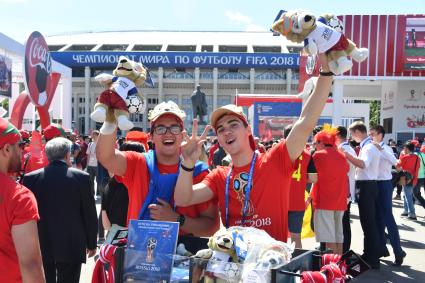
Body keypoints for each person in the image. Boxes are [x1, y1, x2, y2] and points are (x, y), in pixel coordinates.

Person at [174, 65, 334, 242]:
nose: (226, 132)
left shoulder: (275, 159)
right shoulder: (220, 176)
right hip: (234, 263)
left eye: (233, 125)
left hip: (270, 264)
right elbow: (183, 199)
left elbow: (305, 123)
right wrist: (187, 162)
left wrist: (326, 72)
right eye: (221, 129)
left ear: (248, 130)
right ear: (218, 138)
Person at [96, 101, 220, 237]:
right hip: (139, 253)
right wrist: (111, 118)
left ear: (182, 134)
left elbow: (211, 227)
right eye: (160, 128)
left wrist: (176, 219)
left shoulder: (199, 172)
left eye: (174, 128)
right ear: (151, 137)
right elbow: (106, 156)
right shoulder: (138, 163)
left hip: (183, 254)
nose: (168, 134)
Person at [23, 137, 98, 283]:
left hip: (42, 241)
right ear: (67, 155)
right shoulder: (82, 177)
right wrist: (91, 243)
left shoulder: (31, 178)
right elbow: (89, 213)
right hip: (72, 243)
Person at [0, 118, 45, 283]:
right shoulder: (18, 197)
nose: (23, 150)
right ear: (6, 149)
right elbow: (31, 266)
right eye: (20, 145)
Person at [343, 121, 382, 269]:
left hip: (367, 186)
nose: (352, 138)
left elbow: (363, 164)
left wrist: (346, 154)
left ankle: (372, 257)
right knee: (368, 223)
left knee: (368, 223)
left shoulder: (369, 147)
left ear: (358, 132)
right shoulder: (370, 146)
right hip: (367, 185)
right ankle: (370, 254)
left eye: (352, 134)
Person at [369, 125, 406, 266]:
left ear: (380, 135)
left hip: (384, 185)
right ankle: (380, 249)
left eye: (372, 134)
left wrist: (381, 148)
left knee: (388, 219)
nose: (370, 136)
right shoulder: (370, 146)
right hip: (373, 184)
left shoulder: (387, 148)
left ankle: (398, 251)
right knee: (377, 220)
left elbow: (396, 162)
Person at [309, 126, 349, 255]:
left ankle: (332, 268)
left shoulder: (318, 156)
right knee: (338, 236)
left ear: (321, 142)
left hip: (325, 201)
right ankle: (339, 266)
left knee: (328, 237)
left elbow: (312, 177)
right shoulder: (342, 156)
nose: (314, 146)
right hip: (340, 201)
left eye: (316, 143)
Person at [284, 124, 317, 249]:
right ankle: (296, 264)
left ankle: (277, 264)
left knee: (277, 236)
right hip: (297, 201)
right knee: (296, 236)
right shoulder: (307, 155)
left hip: (279, 201)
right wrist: (302, 179)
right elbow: (314, 178)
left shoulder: (277, 152)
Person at [102, 141, 145, 230]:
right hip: (138, 238)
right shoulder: (145, 186)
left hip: (115, 238)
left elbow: (106, 225)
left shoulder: (110, 185)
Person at [335, 126, 356, 254]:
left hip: (343, 192)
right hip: (346, 191)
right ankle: (344, 249)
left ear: (337, 136)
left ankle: (344, 250)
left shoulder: (343, 150)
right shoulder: (348, 149)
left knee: (343, 224)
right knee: (344, 223)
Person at [397, 141, 420, 220]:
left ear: (407, 148)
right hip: (413, 179)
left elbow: (398, 166)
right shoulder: (417, 157)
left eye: (404, 148)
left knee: (408, 197)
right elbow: (417, 170)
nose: (403, 149)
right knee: (406, 195)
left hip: (405, 178)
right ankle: (406, 211)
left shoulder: (405, 157)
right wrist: (415, 180)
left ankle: (412, 214)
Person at [86, 130, 99, 196]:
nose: (92, 136)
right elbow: (88, 155)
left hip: (98, 165)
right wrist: (87, 165)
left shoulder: (101, 143)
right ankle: (92, 193)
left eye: (93, 134)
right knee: (90, 180)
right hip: (90, 165)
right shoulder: (90, 144)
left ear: (97, 135)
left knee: (98, 180)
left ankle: (99, 193)